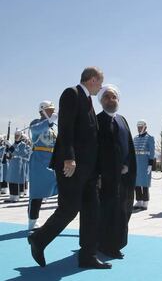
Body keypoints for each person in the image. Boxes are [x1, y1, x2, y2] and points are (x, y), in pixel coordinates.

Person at [27, 67, 110, 269]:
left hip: (88, 168)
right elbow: (66, 127)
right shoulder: (71, 93)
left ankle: (87, 255)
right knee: (69, 209)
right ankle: (39, 239)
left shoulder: (88, 101)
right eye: (99, 83)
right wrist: (68, 158)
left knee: (92, 210)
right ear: (91, 80)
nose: (100, 87)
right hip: (72, 166)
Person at [96, 85, 136, 259]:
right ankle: (107, 245)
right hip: (106, 176)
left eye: (113, 97)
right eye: (107, 97)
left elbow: (128, 144)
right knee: (108, 211)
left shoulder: (122, 120)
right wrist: (98, 174)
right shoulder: (96, 120)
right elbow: (96, 150)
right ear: (101, 101)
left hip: (124, 176)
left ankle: (117, 242)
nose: (111, 100)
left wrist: (127, 164)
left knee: (124, 210)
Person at [27, 100, 58, 230]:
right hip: (39, 162)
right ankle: (32, 220)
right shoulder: (36, 123)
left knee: (61, 188)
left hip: (52, 161)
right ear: (42, 111)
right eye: (49, 109)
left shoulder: (52, 127)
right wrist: (49, 121)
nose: (52, 112)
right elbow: (37, 129)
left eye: (52, 110)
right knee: (37, 192)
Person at [133, 120, 155, 211]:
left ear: (145, 127)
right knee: (137, 183)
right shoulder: (135, 138)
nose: (139, 129)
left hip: (145, 163)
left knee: (145, 183)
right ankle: (138, 200)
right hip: (136, 162)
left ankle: (145, 202)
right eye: (138, 127)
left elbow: (152, 152)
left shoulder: (149, 138)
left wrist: (150, 164)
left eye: (141, 127)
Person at [4, 131, 30, 203]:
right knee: (11, 180)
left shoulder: (23, 145)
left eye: (18, 135)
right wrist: (7, 152)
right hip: (12, 163)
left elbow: (19, 153)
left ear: (21, 136)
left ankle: (15, 197)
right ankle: (11, 196)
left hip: (18, 163)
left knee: (15, 180)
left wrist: (10, 147)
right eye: (15, 135)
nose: (16, 136)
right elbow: (10, 154)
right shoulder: (13, 144)